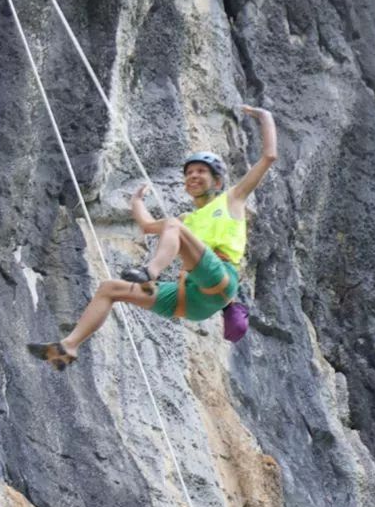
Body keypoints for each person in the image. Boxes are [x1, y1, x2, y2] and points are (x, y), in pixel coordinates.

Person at [28, 104, 278, 370]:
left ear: (217, 182)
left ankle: (151, 272)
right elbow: (147, 226)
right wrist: (136, 201)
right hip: (190, 298)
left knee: (173, 226)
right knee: (109, 289)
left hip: (221, 277)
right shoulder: (186, 220)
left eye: (201, 172)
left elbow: (269, 156)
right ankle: (68, 346)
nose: (193, 175)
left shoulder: (232, 199)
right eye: (190, 172)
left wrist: (265, 117)